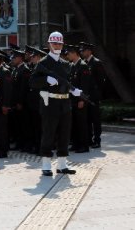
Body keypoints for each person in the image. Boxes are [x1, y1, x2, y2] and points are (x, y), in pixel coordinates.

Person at [30, 32, 79, 176]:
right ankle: (46, 165)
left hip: (65, 102)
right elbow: (32, 82)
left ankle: (62, 165)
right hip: (50, 102)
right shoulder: (43, 63)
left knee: (65, 133)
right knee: (49, 133)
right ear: (49, 44)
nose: (57, 46)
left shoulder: (66, 64)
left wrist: (75, 90)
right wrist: (46, 80)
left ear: (62, 45)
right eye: (54, 43)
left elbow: (68, 83)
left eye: (59, 43)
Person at [66, 45, 92, 153]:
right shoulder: (72, 65)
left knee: (82, 123)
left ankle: (84, 146)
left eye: (69, 53)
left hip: (80, 99)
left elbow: (85, 85)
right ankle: (76, 144)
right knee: (75, 123)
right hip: (72, 99)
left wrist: (82, 100)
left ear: (74, 53)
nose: (67, 56)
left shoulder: (83, 65)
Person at [79, 42, 104, 148]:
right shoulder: (83, 63)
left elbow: (101, 81)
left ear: (89, 51)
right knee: (87, 119)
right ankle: (89, 139)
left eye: (83, 51)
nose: (82, 52)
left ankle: (97, 140)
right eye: (81, 51)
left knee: (95, 119)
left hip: (93, 97)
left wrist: (97, 95)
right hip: (85, 96)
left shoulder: (97, 62)